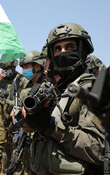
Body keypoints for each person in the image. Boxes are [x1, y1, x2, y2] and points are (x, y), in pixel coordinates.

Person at [23, 23, 105, 174]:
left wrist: (52, 126)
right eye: (57, 49)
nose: (63, 53)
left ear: (82, 50)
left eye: (70, 47)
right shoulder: (58, 91)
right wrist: (33, 120)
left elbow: (98, 149)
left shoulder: (92, 89)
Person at [0, 59, 28, 172]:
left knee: (18, 160)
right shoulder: (2, 81)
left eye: (7, 69)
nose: (5, 71)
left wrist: (8, 103)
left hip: (16, 125)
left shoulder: (21, 80)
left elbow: (24, 100)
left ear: (13, 67)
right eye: (3, 69)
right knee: (6, 162)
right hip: (5, 127)